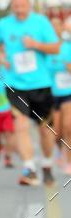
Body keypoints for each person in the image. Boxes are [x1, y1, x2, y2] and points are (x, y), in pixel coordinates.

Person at [0, 0, 60, 187]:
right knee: (20, 125)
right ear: (11, 5)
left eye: (22, 4)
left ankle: (46, 165)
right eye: (15, 5)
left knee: (46, 130)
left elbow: (55, 47)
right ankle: (29, 169)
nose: (19, 8)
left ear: (29, 4)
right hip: (15, 84)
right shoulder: (3, 24)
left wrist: (35, 44)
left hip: (41, 84)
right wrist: (0, 57)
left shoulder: (41, 22)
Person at [49, 16, 71, 174]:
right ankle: (59, 150)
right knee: (57, 133)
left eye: (57, 26)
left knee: (68, 127)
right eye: (52, 26)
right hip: (51, 94)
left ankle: (69, 161)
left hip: (68, 93)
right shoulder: (45, 49)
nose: (55, 29)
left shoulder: (68, 47)